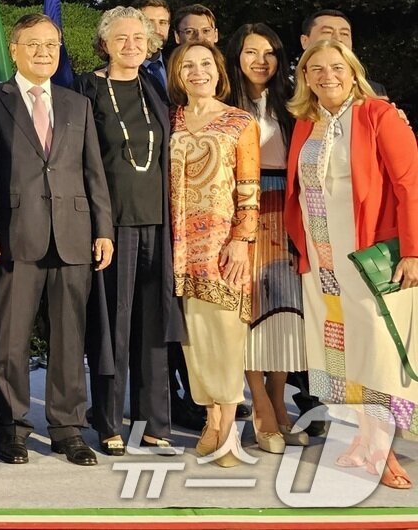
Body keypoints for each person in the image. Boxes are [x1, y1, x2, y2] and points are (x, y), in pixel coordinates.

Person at [284, 40, 417, 490]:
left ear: (353, 70)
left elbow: (409, 184)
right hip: (321, 257)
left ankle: (384, 451)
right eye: (315, 69)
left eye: (336, 67)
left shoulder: (378, 115)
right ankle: (363, 439)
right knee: (338, 355)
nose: (327, 76)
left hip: (366, 255)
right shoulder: (306, 123)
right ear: (304, 76)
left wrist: (415, 251)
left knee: (376, 352)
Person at [0, 13, 113, 467]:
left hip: (74, 233)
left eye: (51, 45)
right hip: (16, 233)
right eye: (34, 45)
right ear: (15, 49)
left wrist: (103, 228)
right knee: (12, 339)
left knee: (68, 338)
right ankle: (14, 427)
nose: (44, 52)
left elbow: (92, 171)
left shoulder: (74, 102)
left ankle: (67, 428)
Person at [77, 7, 179, 456]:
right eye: (121, 38)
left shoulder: (155, 87)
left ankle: (154, 420)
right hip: (112, 225)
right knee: (112, 327)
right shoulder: (87, 88)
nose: (131, 45)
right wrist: (99, 225)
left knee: (154, 325)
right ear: (105, 43)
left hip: (158, 222)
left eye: (139, 38)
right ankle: (108, 420)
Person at [167, 40, 259, 467]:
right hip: (180, 248)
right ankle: (210, 418)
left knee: (226, 334)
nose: (198, 71)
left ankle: (228, 426)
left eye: (206, 64)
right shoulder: (170, 120)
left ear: (219, 71)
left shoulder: (240, 122)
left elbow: (249, 190)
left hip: (225, 247)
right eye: (189, 65)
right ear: (177, 73)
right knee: (195, 336)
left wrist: (243, 239)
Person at [224, 24, 306, 453]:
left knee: (284, 311)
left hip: (286, 210)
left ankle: (279, 397)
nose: (261, 61)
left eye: (270, 52)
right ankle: (259, 404)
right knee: (249, 308)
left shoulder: (294, 105)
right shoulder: (223, 106)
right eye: (251, 52)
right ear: (235, 56)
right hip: (241, 211)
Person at [131, 0, 171, 96]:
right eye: (149, 22)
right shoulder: (114, 73)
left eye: (163, 22)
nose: (157, 30)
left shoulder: (177, 69)